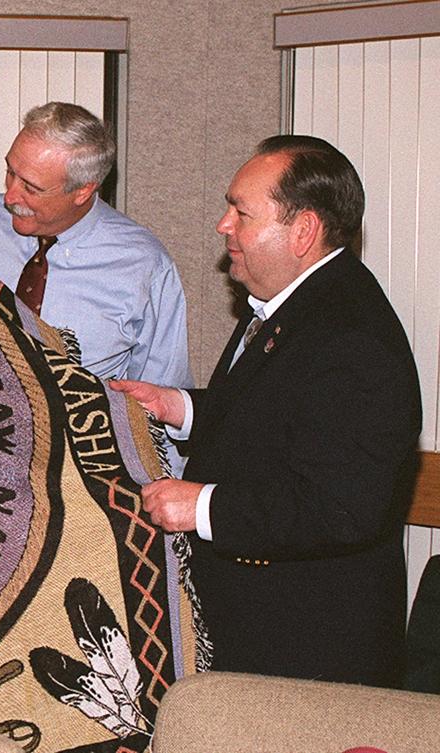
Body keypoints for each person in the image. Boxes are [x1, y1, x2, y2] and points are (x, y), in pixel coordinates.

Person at [113, 135, 421, 687]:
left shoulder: (352, 337)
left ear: (303, 231)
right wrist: (179, 406)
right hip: (261, 630)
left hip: (304, 651)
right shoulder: (298, 303)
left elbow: (340, 508)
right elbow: (278, 415)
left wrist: (200, 506)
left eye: (242, 212)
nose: (223, 225)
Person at [0, 102, 192, 471]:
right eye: (10, 172)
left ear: (83, 191)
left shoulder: (144, 267)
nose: (10, 197)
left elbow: (160, 404)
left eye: (31, 188)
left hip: (77, 474)